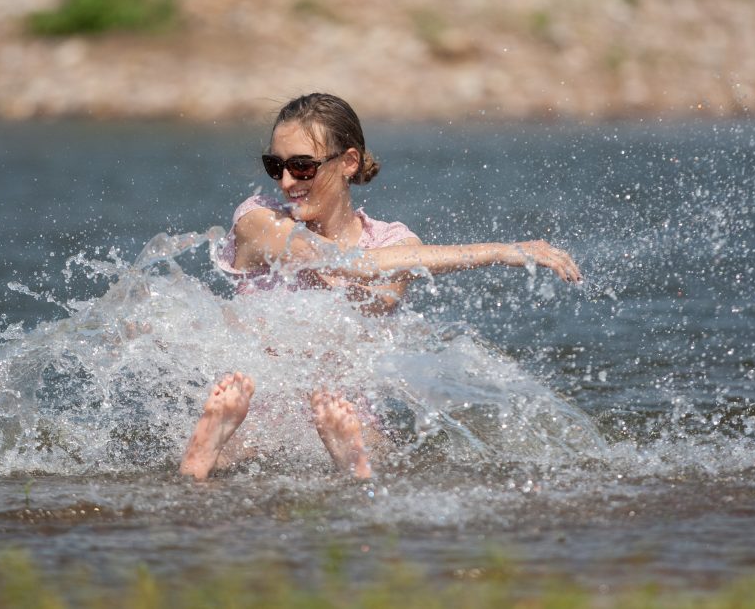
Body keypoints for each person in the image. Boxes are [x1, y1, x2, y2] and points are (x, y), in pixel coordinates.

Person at [180, 93, 581, 481]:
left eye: (302, 166)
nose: (286, 182)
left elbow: (378, 278)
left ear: (348, 162)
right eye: (275, 166)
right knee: (247, 439)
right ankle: (209, 448)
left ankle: (348, 460)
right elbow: (348, 264)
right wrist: (500, 251)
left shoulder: (394, 242)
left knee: (368, 438)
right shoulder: (258, 220)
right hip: (250, 404)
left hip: (338, 411)